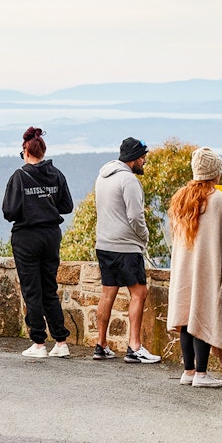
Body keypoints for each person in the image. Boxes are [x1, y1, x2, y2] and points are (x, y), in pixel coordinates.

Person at [166, 147, 222, 387]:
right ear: (215, 173)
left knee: (187, 317)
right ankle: (201, 373)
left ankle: (188, 371)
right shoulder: (220, 201)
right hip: (209, 266)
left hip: (184, 266)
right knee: (203, 314)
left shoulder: (181, 197)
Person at [2, 127, 74, 358]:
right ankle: (61, 341)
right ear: (43, 150)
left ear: (25, 151)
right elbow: (67, 206)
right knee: (49, 288)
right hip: (51, 235)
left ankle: (39, 342)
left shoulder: (19, 177)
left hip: (27, 237)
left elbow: (9, 211)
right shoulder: (57, 174)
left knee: (32, 290)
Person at [92, 137, 161, 364]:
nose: (144, 161)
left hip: (104, 244)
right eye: (143, 157)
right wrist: (144, 236)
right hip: (127, 247)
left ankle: (101, 344)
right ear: (134, 158)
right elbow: (135, 215)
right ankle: (134, 347)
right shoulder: (129, 181)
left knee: (107, 293)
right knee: (139, 293)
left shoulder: (102, 178)